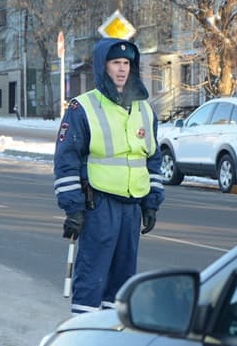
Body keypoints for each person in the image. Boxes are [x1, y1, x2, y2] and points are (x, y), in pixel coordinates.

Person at [53, 37, 165, 314]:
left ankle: (111, 330)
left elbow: (152, 158)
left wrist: (151, 203)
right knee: (93, 272)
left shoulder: (144, 110)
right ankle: (83, 330)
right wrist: (73, 209)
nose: (122, 69)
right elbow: (67, 159)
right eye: (116, 63)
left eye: (127, 63)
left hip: (132, 205)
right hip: (99, 202)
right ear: (103, 67)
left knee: (124, 276)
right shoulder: (83, 108)